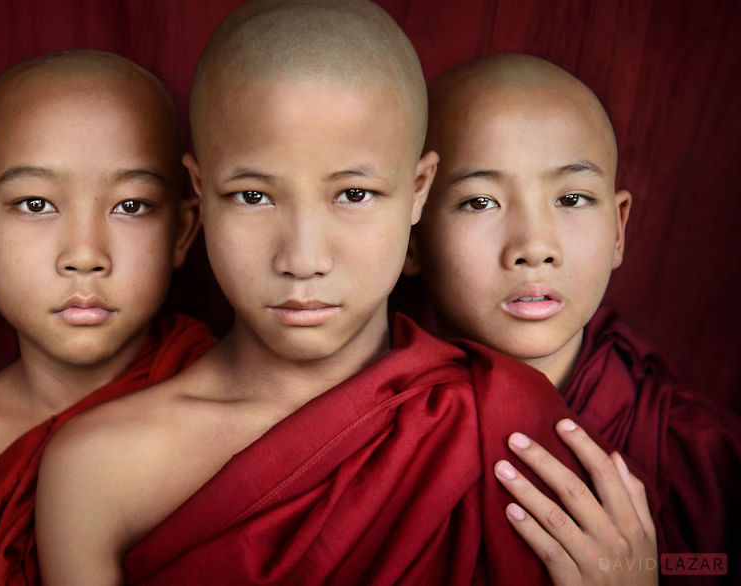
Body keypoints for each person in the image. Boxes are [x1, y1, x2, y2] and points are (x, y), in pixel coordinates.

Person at [36, 3, 657, 585]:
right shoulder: (97, 471)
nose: (302, 260)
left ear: (418, 191)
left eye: (354, 194)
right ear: (200, 191)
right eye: (253, 196)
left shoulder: (502, 423)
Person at [0, 50, 213, 585]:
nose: (83, 254)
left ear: (183, 232)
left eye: (130, 206)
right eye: (35, 205)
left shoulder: (230, 414)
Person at [405, 52, 740, 582]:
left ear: (619, 229)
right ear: (409, 238)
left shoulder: (709, 462)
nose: (534, 247)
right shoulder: (365, 429)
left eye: (574, 198)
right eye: (479, 203)